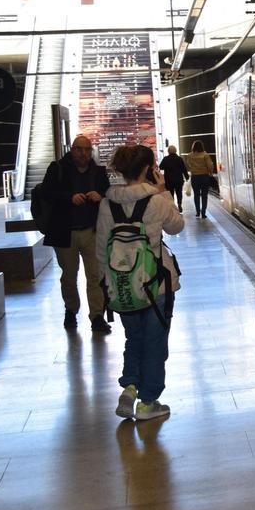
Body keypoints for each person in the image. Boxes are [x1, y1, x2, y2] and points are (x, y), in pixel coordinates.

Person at [97, 145, 183, 421]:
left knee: (134, 339)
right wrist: (163, 191)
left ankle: (130, 386)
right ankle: (148, 402)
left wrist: (111, 283)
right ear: (148, 169)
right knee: (155, 343)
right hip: (156, 286)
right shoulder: (156, 201)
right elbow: (177, 225)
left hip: (123, 288)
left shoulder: (107, 203)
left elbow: (101, 250)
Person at [41, 135, 112, 332]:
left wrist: (101, 196)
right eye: (80, 149)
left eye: (87, 149)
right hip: (66, 233)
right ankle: (71, 310)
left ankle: (97, 316)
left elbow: (108, 193)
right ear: (72, 150)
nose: (84, 154)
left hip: (92, 231)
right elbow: (46, 193)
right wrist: (69, 198)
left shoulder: (98, 172)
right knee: (69, 275)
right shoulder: (58, 169)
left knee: (95, 275)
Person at [184, 140, 215, 219]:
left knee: (196, 195)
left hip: (195, 177)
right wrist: (210, 172)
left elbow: (188, 165)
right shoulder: (205, 155)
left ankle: (197, 212)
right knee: (204, 195)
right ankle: (203, 212)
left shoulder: (190, 155)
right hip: (204, 177)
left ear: (193, 147)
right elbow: (210, 165)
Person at [159, 145, 187, 213]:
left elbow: (161, 167)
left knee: (170, 194)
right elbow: (184, 169)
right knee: (179, 193)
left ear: (168, 151)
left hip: (169, 180)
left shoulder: (165, 159)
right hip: (178, 180)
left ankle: (173, 207)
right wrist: (187, 177)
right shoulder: (179, 159)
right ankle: (179, 204)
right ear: (175, 151)